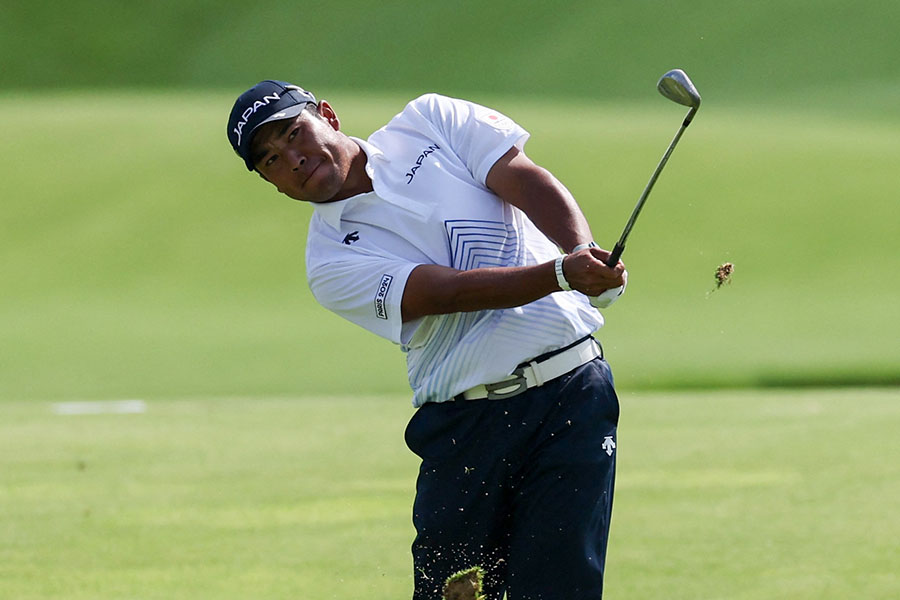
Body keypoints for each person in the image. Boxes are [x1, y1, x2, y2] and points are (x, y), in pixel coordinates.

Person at [226, 80, 628, 600]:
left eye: (294, 134)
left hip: (573, 396)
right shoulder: (328, 262)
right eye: (271, 160)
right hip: (466, 430)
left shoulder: (429, 120)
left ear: (328, 114)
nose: (293, 160)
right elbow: (446, 292)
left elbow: (523, 180)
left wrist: (586, 255)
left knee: (560, 589)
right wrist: (563, 274)